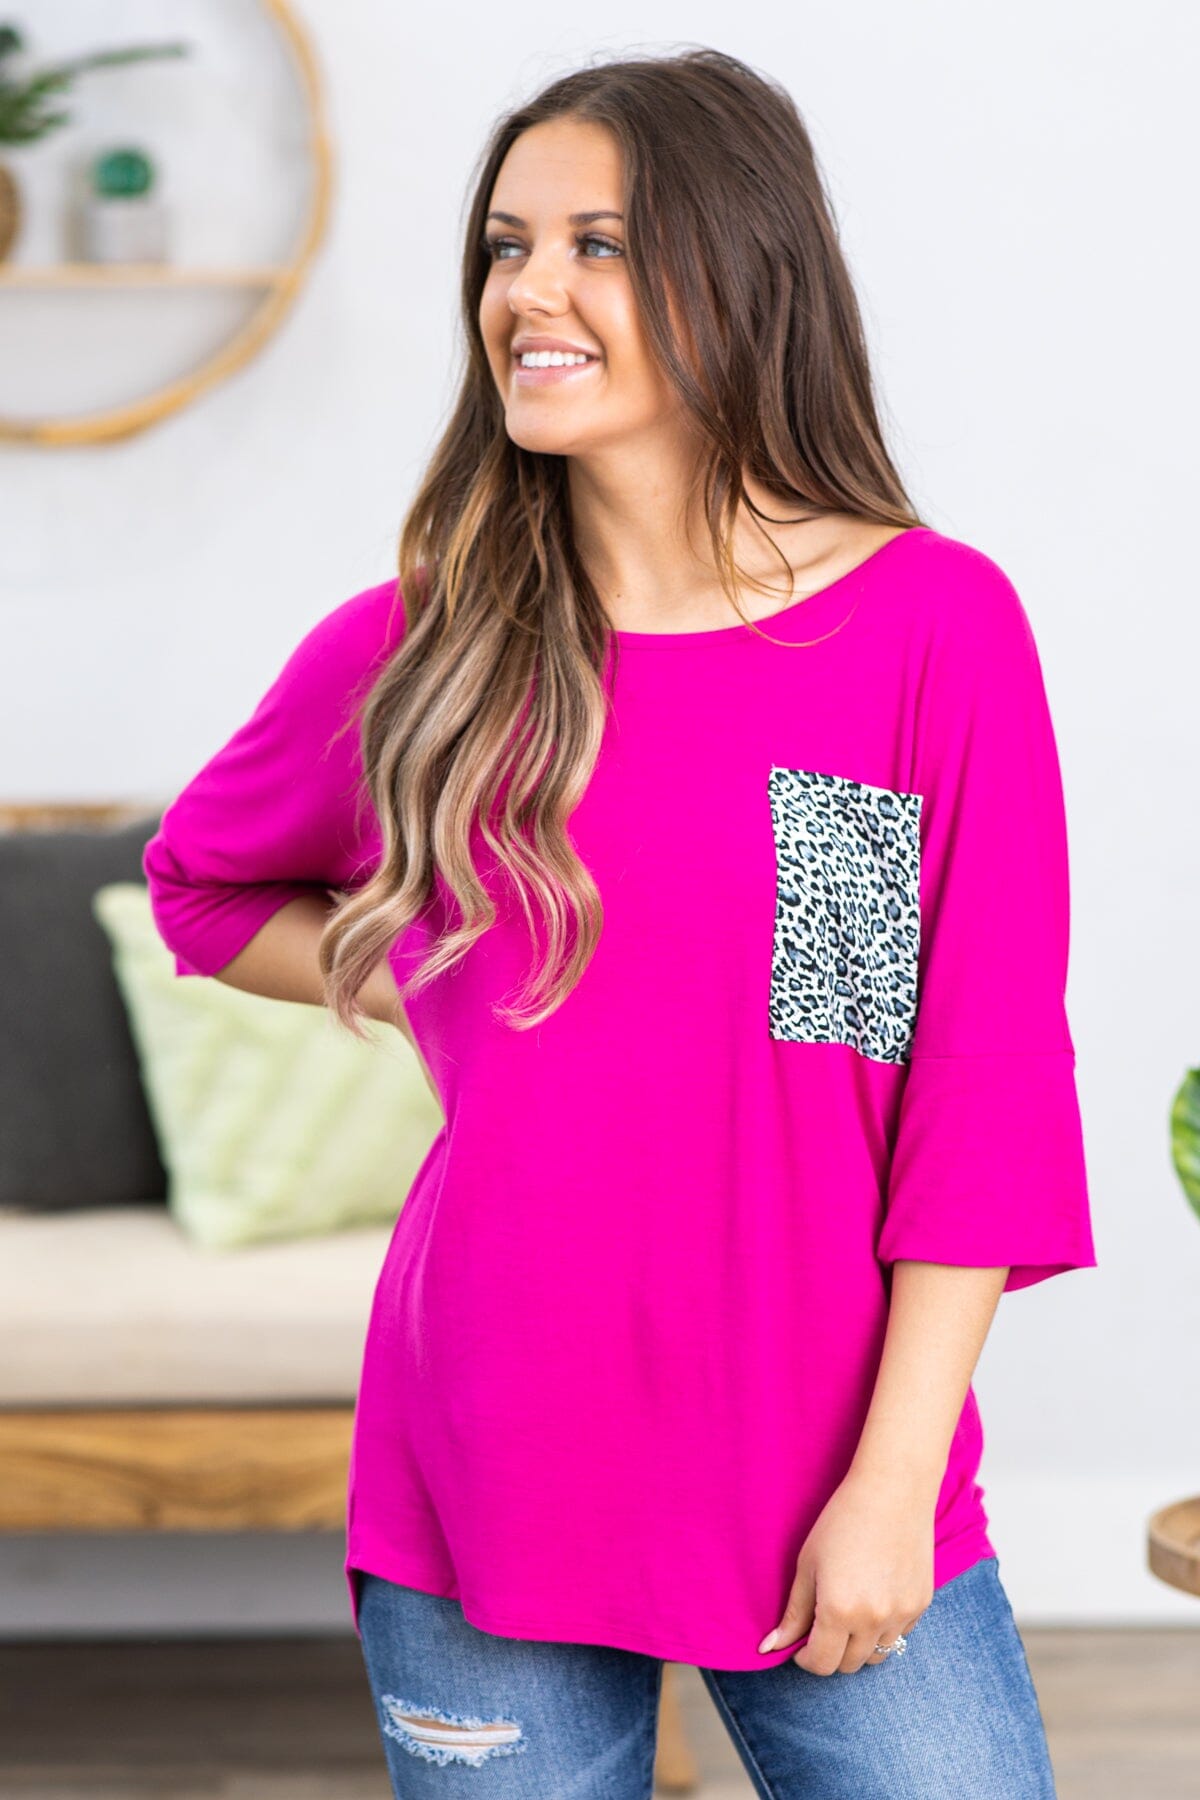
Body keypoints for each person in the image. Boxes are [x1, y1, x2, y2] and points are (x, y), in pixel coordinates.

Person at [143, 46, 1097, 1800]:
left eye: (597, 243)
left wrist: (894, 1483)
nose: (530, 291)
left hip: (821, 1464)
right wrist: (424, 966)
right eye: (508, 247)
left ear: (741, 273)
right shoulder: (429, 648)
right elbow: (203, 886)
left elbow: (953, 1082)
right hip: (486, 1462)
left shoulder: (915, 632)